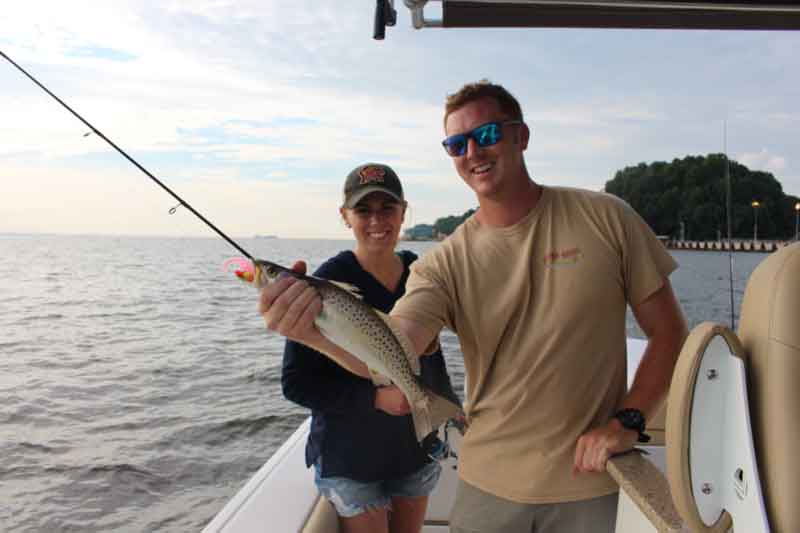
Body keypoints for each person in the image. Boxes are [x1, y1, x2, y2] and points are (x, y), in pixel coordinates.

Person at [260, 82, 688, 533]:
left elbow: (668, 332)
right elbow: (399, 344)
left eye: (486, 135)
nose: (472, 152)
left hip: (589, 482)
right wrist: (309, 333)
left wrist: (630, 418)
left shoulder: (608, 218)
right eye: (456, 144)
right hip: (487, 483)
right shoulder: (441, 263)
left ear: (521, 136)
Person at [279, 162, 459, 533]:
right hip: (351, 461)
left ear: (404, 212)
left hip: (415, 451)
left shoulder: (423, 274)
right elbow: (296, 384)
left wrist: (448, 406)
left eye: (387, 208)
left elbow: (431, 359)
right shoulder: (322, 287)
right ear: (345, 217)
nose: (376, 220)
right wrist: (374, 400)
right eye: (363, 210)